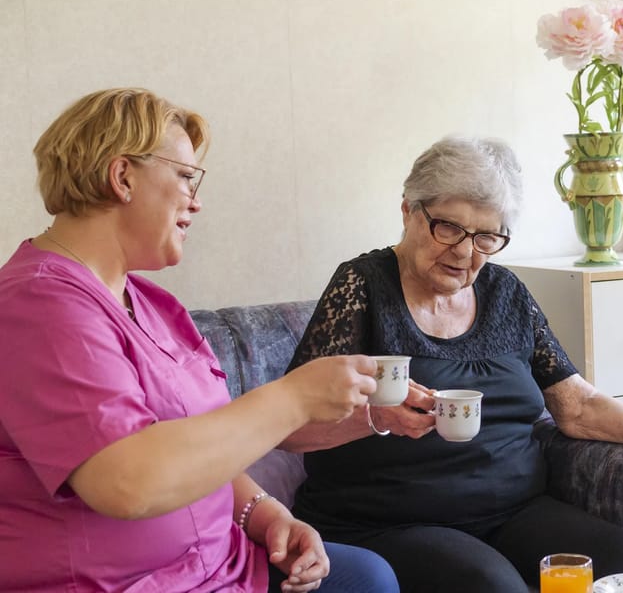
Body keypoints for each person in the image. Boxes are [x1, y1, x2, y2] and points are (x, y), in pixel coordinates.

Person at [282, 136, 623, 592]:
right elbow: (290, 427)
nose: (463, 251)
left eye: (485, 237)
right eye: (448, 228)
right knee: (493, 585)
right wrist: (376, 417)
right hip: (391, 520)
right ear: (408, 212)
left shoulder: (506, 294)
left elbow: (576, 404)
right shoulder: (361, 287)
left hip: (515, 511)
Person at [0, 88, 400, 593]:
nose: (197, 200)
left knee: (370, 576)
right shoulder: (39, 304)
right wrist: (292, 398)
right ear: (123, 177)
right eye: (186, 177)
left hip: (219, 565)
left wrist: (264, 513)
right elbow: (125, 480)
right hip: (124, 583)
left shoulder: (149, 303)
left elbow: (198, 442)